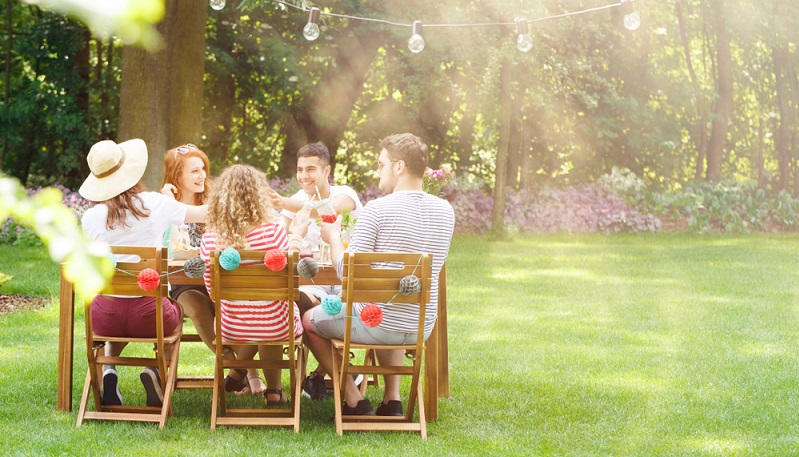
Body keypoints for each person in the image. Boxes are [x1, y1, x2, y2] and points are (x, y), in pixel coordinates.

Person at [303, 133, 454, 416]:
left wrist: (334, 238)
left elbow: (348, 272)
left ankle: (353, 400)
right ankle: (392, 401)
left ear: (399, 167)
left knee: (309, 320)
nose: (378, 171)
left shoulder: (377, 209)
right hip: (421, 325)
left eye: (381, 164)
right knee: (389, 306)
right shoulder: (446, 211)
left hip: (376, 323)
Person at [79, 138, 207, 408]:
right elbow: (203, 213)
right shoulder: (154, 203)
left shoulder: (89, 218)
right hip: (151, 318)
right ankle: (157, 372)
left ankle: (108, 371)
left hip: (103, 319)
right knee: (176, 311)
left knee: (120, 309)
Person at [199, 164, 304, 405]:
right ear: (258, 196)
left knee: (258, 313)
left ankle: (238, 371)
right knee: (271, 313)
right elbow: (289, 279)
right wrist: (296, 235)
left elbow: (213, 293)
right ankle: (275, 392)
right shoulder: (274, 232)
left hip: (230, 327)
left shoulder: (210, 238)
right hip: (278, 327)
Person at [268, 142, 363, 400]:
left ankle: (324, 373)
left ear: (327, 170)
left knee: (313, 312)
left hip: (346, 286)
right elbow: (278, 234)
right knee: (295, 302)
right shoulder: (296, 201)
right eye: (300, 170)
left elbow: (330, 210)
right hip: (314, 285)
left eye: (311, 169)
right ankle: (344, 370)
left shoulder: (345, 194)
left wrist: (285, 202)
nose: (303, 176)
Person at [160, 143, 216, 352]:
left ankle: (244, 371)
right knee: (199, 308)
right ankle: (238, 367)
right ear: (177, 175)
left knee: (237, 309)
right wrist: (169, 205)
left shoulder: (214, 201)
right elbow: (172, 249)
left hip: (218, 277)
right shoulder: (162, 204)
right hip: (183, 282)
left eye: (203, 169)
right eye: (194, 171)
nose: (202, 175)